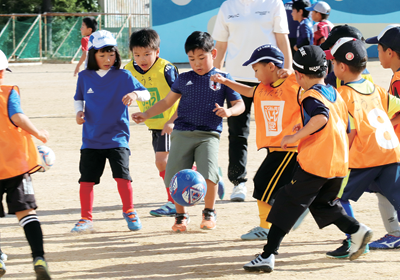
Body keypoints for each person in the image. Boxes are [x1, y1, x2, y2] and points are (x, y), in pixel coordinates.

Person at [243, 45, 373, 273]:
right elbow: (344, 125)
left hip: (316, 163)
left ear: (300, 75)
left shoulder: (310, 96)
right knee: (323, 205)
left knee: (286, 203)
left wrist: (296, 135)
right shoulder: (333, 93)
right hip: (338, 165)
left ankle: (267, 255)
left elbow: (321, 118)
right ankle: (358, 230)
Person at [132, 31, 245, 232]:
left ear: (214, 53)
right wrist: (147, 114)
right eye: (192, 59)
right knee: (175, 175)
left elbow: (240, 104)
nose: (197, 63)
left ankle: (209, 212)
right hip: (182, 133)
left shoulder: (223, 78)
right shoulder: (183, 79)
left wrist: (228, 111)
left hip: (208, 135)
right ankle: (180, 215)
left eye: (202, 58)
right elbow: (167, 102)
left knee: (208, 175)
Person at [210, 45, 301, 240]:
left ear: (270, 66)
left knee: (262, 183)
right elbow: (250, 92)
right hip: (275, 149)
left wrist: (292, 71)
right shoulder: (263, 89)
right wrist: (226, 81)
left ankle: (266, 227)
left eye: (256, 69)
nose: (255, 74)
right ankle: (292, 213)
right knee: (277, 188)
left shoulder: (292, 83)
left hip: (289, 149)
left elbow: (311, 76)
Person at [324, 37, 400, 257]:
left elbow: (351, 130)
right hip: (391, 152)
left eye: (333, 63)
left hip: (366, 157)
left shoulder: (344, 95)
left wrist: (339, 157)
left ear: (342, 66)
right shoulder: (375, 88)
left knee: (337, 197)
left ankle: (355, 239)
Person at [212, 0, 292, 202]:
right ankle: (239, 182)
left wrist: (288, 70)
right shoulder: (227, 7)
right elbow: (220, 47)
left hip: (270, 78)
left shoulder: (274, 3)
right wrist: (216, 75)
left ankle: (279, 180)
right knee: (237, 132)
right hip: (235, 79)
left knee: (277, 132)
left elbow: (282, 41)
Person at [71, 30, 150, 233]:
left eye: (111, 54)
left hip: (117, 138)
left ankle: (129, 210)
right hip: (91, 139)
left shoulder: (123, 75)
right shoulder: (84, 77)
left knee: (123, 177)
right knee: (86, 180)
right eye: (102, 55)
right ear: (92, 55)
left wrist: (134, 94)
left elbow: (146, 93)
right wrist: (79, 112)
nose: (108, 59)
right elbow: (78, 98)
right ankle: (85, 218)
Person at [0, 49, 51, 279]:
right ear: (2, 72)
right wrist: (38, 133)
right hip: (15, 165)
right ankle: (38, 257)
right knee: (26, 212)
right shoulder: (8, 92)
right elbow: (18, 117)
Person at [124, 28, 180, 217]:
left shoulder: (167, 69)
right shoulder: (128, 70)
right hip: (155, 126)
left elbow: (185, 96)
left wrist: (173, 121)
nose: (142, 59)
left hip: (173, 124)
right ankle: (203, 175)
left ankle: (172, 203)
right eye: (137, 54)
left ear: (157, 52)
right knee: (169, 163)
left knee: (162, 162)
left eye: (147, 54)